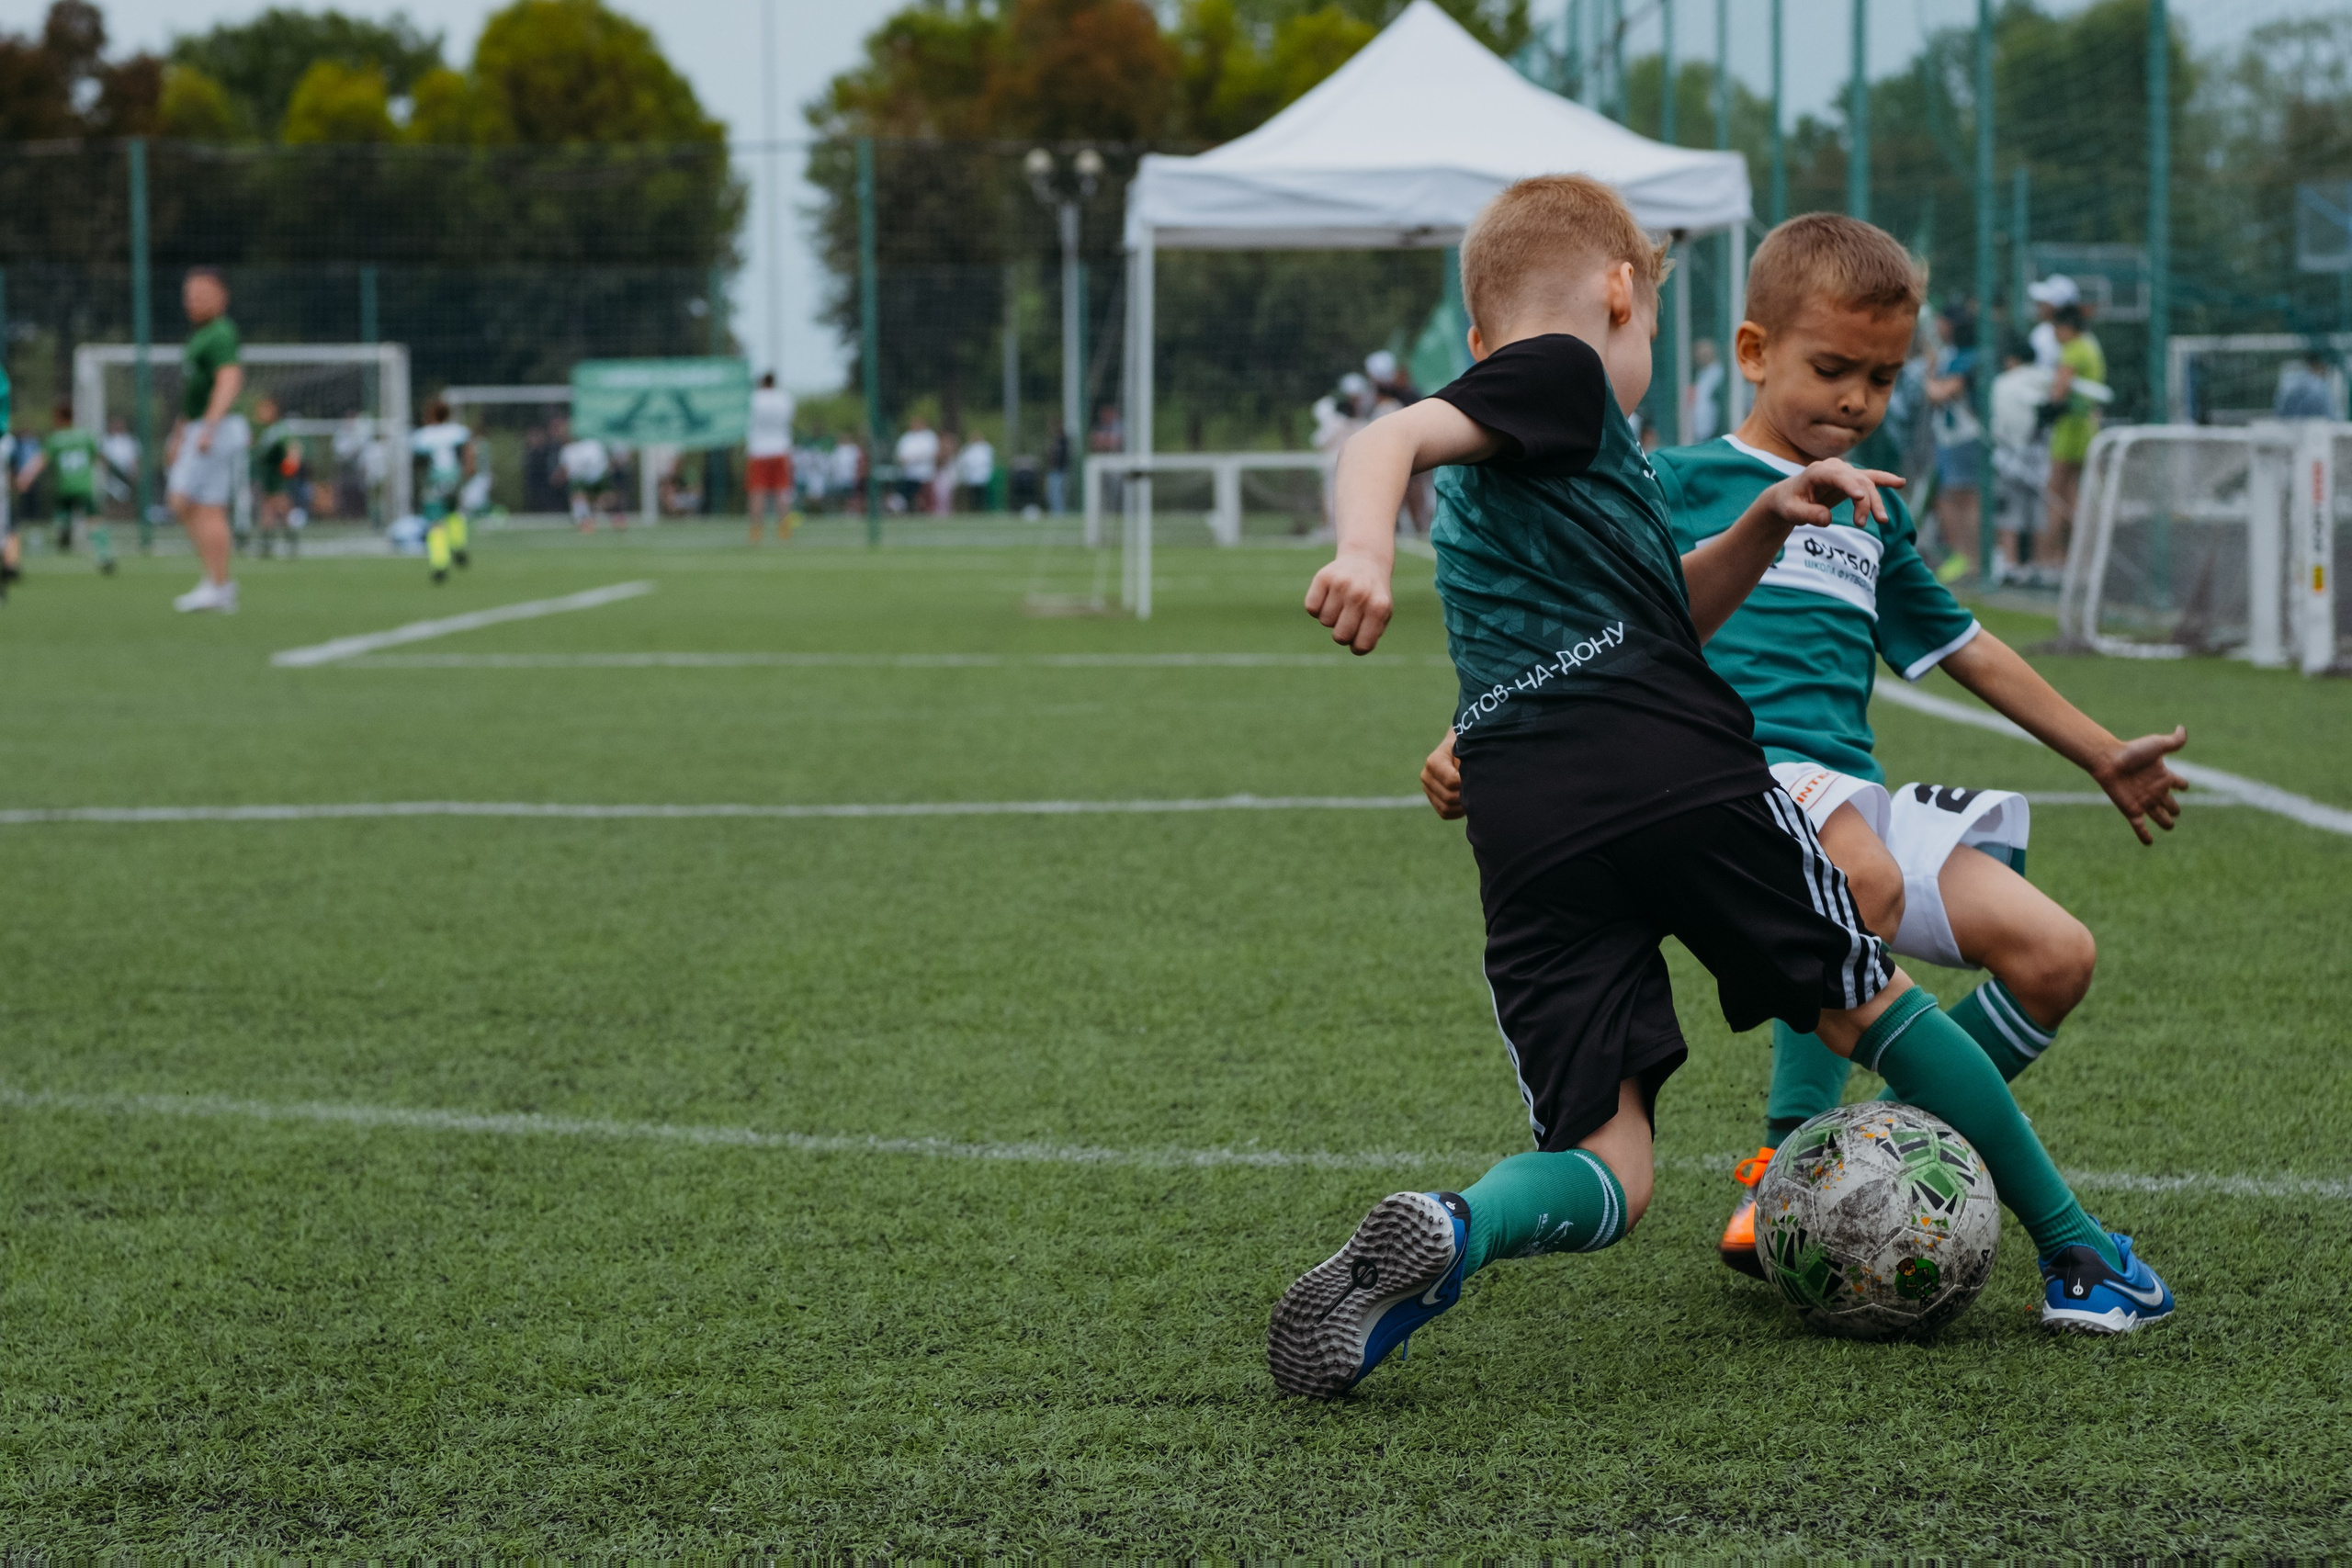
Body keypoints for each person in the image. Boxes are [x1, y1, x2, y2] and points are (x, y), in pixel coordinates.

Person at [1273, 175, 2174, 1402]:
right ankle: (2083, 1249)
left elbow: (1664, 614)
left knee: (1613, 1163)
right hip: (1677, 769)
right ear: (1619, 294)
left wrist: (1759, 526)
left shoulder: (1558, 460)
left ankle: (1457, 1225)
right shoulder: (1566, 376)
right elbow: (1385, 437)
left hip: (1530, 818)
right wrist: (1363, 549)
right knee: (1868, 995)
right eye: (1643, 327)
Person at [165, 266, 247, 613]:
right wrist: (180, 432)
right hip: (201, 427)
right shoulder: (201, 336)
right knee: (200, 506)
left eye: (201, 294)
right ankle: (217, 583)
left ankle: (218, 583)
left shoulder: (220, 333)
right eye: (189, 295)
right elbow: (194, 395)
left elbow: (229, 379)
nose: (192, 301)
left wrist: (209, 427)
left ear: (222, 296)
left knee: (187, 502)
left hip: (215, 429)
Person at [2036, 302, 2107, 576]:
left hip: (2071, 428)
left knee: (2054, 491)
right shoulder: (2091, 347)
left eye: (2055, 327)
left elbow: (2059, 391)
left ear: (2066, 328)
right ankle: (2080, 554)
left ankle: (2051, 557)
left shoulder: (2073, 350)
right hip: (2087, 426)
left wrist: (2047, 408)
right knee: (2073, 492)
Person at [15, 399, 115, 575]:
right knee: (93, 520)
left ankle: (64, 530)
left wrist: (25, 477)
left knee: (63, 514)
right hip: (85, 486)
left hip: (65, 487)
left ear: (59, 418)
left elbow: (40, 461)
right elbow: (99, 457)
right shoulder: (86, 436)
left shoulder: (56, 439)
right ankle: (104, 555)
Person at [1924, 304, 1983, 578]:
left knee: (1967, 496)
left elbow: (1940, 392)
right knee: (1948, 495)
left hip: (1965, 436)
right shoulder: (1948, 355)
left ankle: (1974, 558)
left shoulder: (1970, 357)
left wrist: (1929, 379)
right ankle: (1960, 553)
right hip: (1946, 437)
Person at [411, 397, 475, 582]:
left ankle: (440, 564)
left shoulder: (423, 435)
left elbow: (418, 461)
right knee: (454, 511)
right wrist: (468, 470)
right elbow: (469, 451)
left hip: (435, 479)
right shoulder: (458, 431)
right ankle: (458, 545)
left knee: (436, 522)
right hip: (454, 477)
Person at [250, 395, 308, 558]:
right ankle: (267, 546)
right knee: (268, 510)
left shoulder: (279, 430)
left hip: (276, 476)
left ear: (274, 409)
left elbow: (293, 446)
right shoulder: (266, 430)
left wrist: (291, 464)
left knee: (280, 508)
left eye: (264, 408)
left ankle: (290, 545)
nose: (260, 412)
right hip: (267, 475)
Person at [746, 371, 797, 543]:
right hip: (780, 448)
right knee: (781, 491)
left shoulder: (754, 399)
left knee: (757, 492)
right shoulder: (784, 398)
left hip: (758, 450)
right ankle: (784, 530)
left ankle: (756, 531)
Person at [555, 419, 613, 531]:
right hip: (580, 481)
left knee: (607, 498)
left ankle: (596, 514)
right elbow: (566, 470)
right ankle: (583, 519)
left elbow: (604, 463)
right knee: (578, 495)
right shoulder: (567, 450)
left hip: (598, 479)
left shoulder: (593, 445)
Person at [2026, 274, 2075, 369]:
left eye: (2043, 303)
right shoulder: (2043, 331)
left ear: (2056, 307)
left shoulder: (2053, 334)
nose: (2038, 307)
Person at [893, 415, 939, 513]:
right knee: (906, 492)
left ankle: (928, 511)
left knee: (925, 496)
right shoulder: (906, 438)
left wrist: (915, 458)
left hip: (925, 474)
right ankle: (901, 508)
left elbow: (932, 453)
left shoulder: (929, 436)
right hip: (910, 473)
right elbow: (900, 456)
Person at [1686, 335, 1725, 445]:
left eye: (1703, 351)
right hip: (1698, 429)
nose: (1699, 355)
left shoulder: (1718, 373)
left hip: (1714, 428)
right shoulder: (1700, 374)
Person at [2274, 350, 2335, 420]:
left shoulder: (2290, 382)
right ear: (2320, 365)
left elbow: (2280, 408)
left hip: (2288, 425)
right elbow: (2330, 413)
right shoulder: (2320, 386)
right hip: (2316, 425)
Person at [955, 430, 996, 513]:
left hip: (982, 475)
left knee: (981, 494)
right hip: (971, 476)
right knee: (972, 495)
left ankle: (981, 509)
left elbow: (986, 461)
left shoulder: (986, 448)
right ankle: (973, 509)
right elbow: (964, 461)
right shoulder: (968, 448)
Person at [1044, 416, 1072, 515]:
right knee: (1051, 494)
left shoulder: (1063, 440)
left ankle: (1059, 514)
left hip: (1060, 470)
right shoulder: (1056, 440)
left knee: (1057, 495)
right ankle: (1055, 513)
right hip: (1054, 470)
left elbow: (1062, 456)